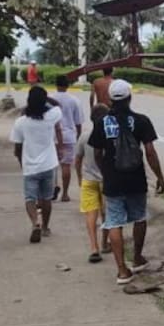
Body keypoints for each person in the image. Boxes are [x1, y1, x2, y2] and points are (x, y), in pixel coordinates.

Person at [87, 80, 164, 284]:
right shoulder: (141, 121)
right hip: (136, 178)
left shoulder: (101, 123)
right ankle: (138, 258)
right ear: (130, 97)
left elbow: (97, 153)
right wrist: (159, 176)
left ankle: (122, 270)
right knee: (139, 217)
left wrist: (106, 171)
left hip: (113, 180)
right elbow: (150, 152)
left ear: (110, 99)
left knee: (114, 222)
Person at [9, 86, 63, 243]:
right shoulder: (50, 117)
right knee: (46, 198)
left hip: (30, 166)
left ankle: (35, 223)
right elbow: (59, 105)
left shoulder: (21, 122)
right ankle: (45, 227)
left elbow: (17, 148)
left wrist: (21, 163)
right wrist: (47, 98)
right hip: (48, 165)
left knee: (30, 198)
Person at [74, 105, 111, 263]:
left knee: (91, 214)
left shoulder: (84, 136)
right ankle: (105, 242)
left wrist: (79, 177)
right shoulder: (109, 136)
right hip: (106, 180)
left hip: (88, 180)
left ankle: (94, 247)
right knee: (106, 213)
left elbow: (77, 160)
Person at [50, 74, 85, 202]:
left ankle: (52, 188)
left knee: (52, 165)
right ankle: (65, 194)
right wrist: (77, 136)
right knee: (66, 165)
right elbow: (78, 123)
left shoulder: (49, 99)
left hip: (52, 135)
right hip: (69, 136)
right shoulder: (74, 100)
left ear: (56, 84)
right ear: (68, 85)